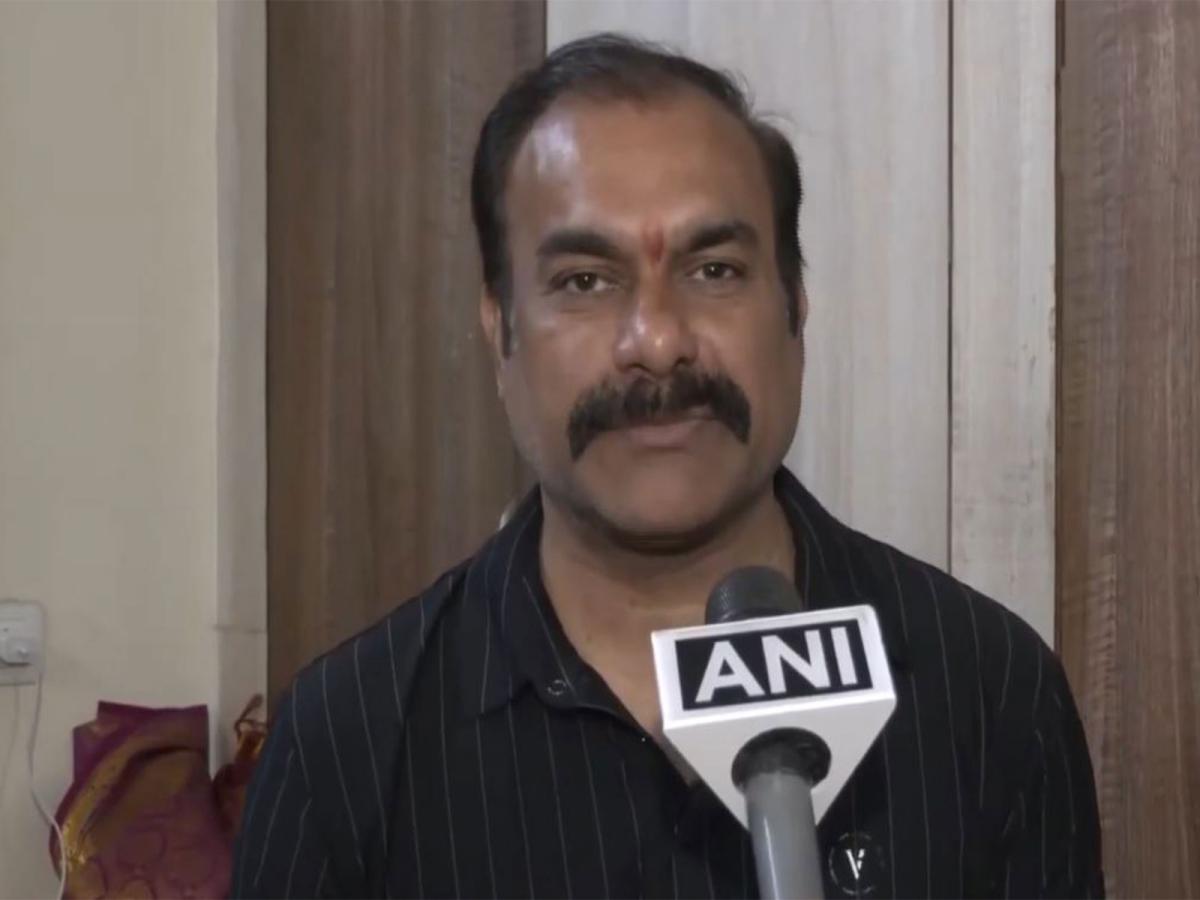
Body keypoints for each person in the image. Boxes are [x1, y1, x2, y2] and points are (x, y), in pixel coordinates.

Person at [232, 34, 1103, 899]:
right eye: (585, 281)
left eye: (714, 270)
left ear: (795, 309)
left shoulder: (990, 693)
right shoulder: (345, 748)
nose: (655, 341)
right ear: (499, 331)